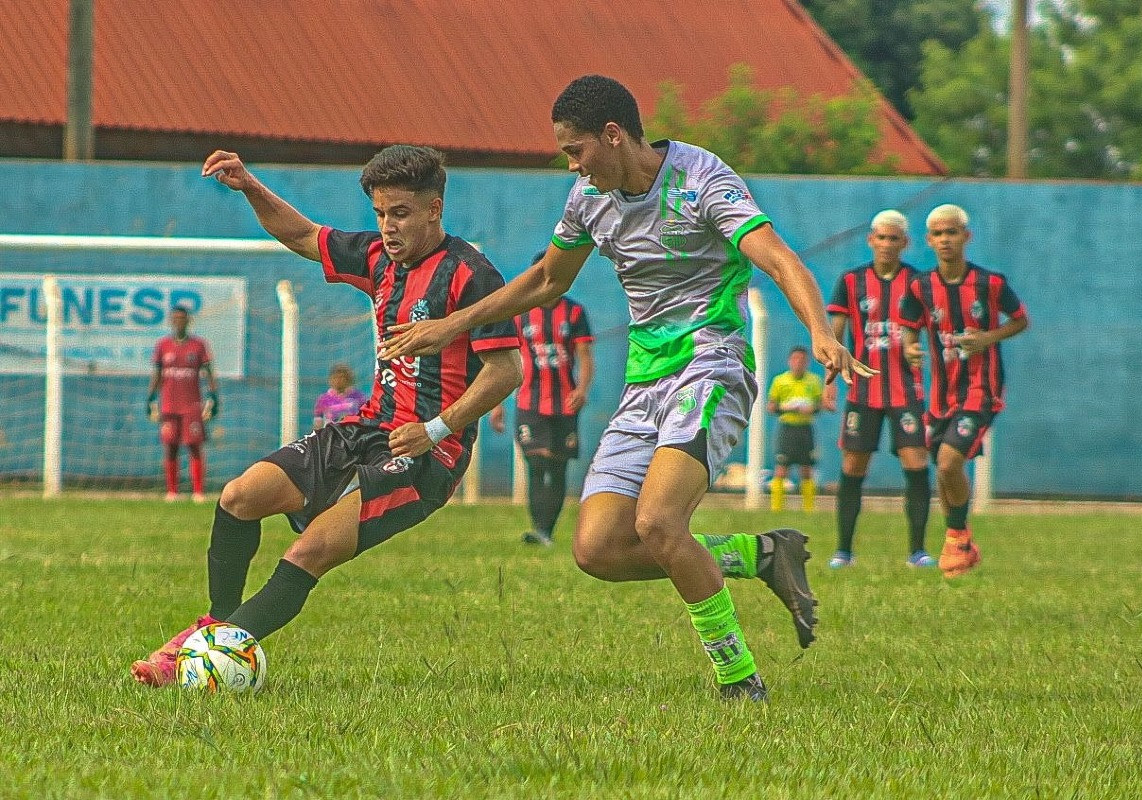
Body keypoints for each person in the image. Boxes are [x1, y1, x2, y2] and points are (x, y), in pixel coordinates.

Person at [381, 75, 873, 701]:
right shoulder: (588, 195)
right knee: (599, 549)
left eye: (574, 149)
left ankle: (738, 679)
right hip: (646, 380)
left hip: (710, 364)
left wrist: (820, 331)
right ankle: (760, 555)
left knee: (661, 523)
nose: (571, 164)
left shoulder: (701, 179)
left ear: (612, 137)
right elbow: (545, 281)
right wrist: (454, 324)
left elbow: (776, 256)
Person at [130, 144, 522, 687]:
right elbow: (300, 235)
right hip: (367, 427)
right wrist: (249, 185)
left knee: (312, 547)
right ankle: (218, 628)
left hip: (429, 453)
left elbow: (506, 371)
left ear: (435, 208)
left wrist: (436, 429)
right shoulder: (378, 258)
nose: (388, 226)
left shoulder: (471, 275)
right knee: (240, 497)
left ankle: (197, 658)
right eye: (381, 213)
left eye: (401, 213)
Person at [899, 204, 1029, 578]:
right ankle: (962, 540)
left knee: (948, 463)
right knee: (943, 471)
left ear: (966, 237)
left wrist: (989, 337)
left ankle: (957, 536)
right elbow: (910, 326)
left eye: (952, 233)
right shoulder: (921, 287)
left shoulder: (991, 284)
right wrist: (910, 347)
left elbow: (1020, 320)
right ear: (929, 240)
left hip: (980, 389)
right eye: (938, 234)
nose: (945, 240)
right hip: (941, 395)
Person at [824, 209, 934, 569]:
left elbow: (930, 330)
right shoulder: (852, 281)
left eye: (894, 238)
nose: (886, 244)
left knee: (916, 460)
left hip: (906, 389)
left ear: (905, 243)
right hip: (863, 390)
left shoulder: (918, 283)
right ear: (870, 239)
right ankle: (843, 551)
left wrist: (917, 350)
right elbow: (834, 335)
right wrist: (829, 374)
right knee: (854, 464)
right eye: (880, 237)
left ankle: (917, 551)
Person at [489, 254, 595, 546]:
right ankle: (540, 529)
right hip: (529, 403)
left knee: (557, 467)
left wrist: (582, 390)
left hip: (564, 404)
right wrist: (496, 404)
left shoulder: (574, 313)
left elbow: (585, 358)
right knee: (536, 465)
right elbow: (507, 362)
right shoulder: (520, 315)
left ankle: (547, 530)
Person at [147, 305, 219, 503]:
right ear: (171, 321)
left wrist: (213, 396)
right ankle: (172, 491)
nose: (178, 321)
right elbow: (157, 374)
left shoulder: (198, 345)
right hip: (169, 405)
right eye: (175, 318)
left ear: (188, 321)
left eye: (182, 318)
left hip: (191, 405)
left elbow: (209, 373)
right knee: (170, 446)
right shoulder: (163, 345)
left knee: (194, 446)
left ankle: (198, 491)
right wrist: (151, 398)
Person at [766, 345, 825, 513]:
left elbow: (820, 405)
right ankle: (776, 509)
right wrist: (785, 408)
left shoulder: (814, 380)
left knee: (807, 469)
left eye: (802, 360)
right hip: (787, 428)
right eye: (795, 359)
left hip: (805, 428)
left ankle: (808, 509)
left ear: (806, 363)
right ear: (789, 361)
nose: (799, 363)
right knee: (781, 468)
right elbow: (770, 406)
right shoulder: (780, 381)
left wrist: (812, 408)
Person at [313, 363, 368, 430]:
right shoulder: (323, 399)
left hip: (353, 434)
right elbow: (318, 422)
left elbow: (366, 418)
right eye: (335, 377)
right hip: (331, 435)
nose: (338, 381)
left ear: (348, 379)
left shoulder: (359, 397)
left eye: (342, 377)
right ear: (331, 379)